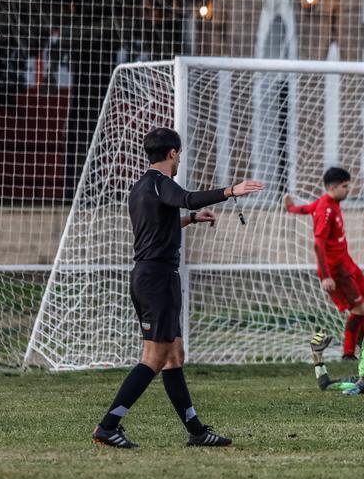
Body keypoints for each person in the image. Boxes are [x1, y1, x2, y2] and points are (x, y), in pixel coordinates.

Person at [91, 127, 264, 449]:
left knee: (174, 356)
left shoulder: (140, 187)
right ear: (173, 153)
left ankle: (197, 431)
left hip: (149, 276)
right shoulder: (161, 184)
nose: (180, 158)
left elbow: (159, 224)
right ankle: (108, 425)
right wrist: (231, 191)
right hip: (157, 280)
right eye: (180, 154)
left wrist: (190, 220)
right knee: (154, 358)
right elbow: (185, 198)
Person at [284, 167, 364, 389]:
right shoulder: (326, 208)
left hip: (347, 263)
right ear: (332, 187)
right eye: (345, 186)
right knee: (360, 310)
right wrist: (325, 276)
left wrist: (291, 208)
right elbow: (318, 244)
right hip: (336, 270)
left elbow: (306, 208)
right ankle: (348, 353)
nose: (348, 189)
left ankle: (363, 345)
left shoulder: (328, 203)